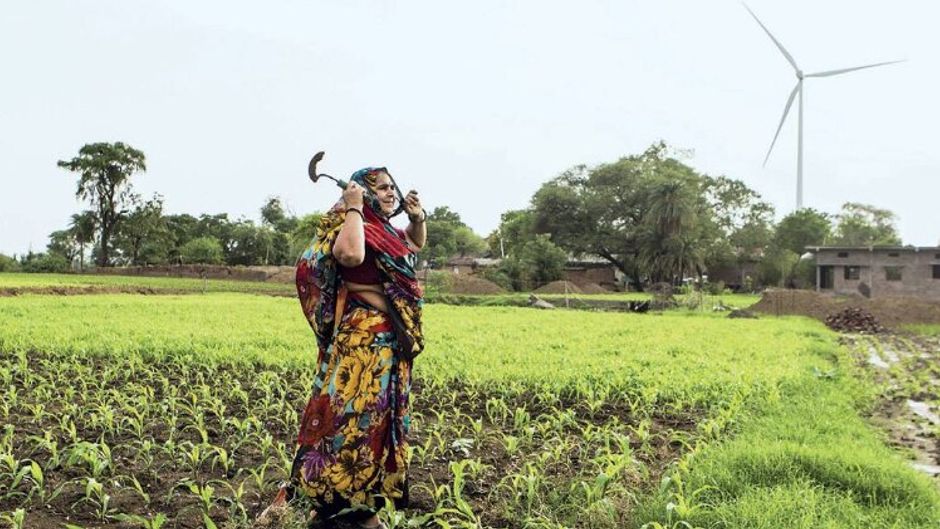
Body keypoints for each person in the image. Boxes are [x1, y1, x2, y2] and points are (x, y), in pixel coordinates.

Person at [258, 167, 426, 528]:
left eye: (391, 188)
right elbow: (349, 255)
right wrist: (352, 208)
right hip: (362, 347)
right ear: (362, 192)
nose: (390, 193)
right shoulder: (356, 226)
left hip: (387, 347)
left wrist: (417, 218)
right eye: (381, 189)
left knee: (375, 426)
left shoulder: (385, 231)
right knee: (352, 420)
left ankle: (351, 504)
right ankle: (338, 501)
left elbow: (412, 246)